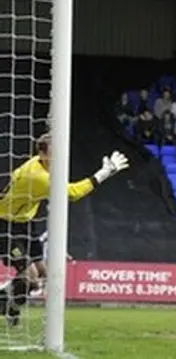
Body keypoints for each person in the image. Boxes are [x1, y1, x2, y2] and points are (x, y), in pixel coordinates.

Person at [0, 133, 129, 324]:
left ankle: (10, 304)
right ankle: (6, 302)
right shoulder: (38, 177)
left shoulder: (42, 165)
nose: (58, 156)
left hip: (24, 222)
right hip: (5, 224)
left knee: (44, 273)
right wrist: (103, 173)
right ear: (42, 154)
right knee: (32, 277)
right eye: (53, 152)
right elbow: (73, 193)